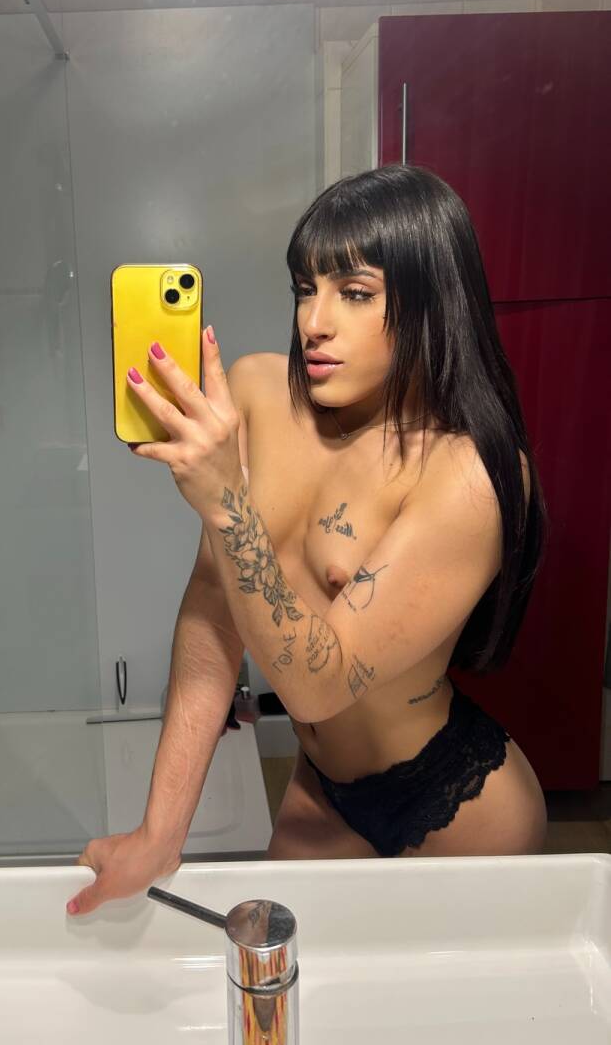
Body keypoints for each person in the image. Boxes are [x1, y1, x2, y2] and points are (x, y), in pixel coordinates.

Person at [67, 163, 548, 918]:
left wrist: (228, 505)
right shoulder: (257, 392)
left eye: (355, 293)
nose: (314, 321)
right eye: (305, 287)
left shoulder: (471, 472)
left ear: (431, 301)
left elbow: (321, 684)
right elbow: (212, 617)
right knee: (280, 981)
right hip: (322, 789)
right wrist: (161, 833)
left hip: (459, 809)